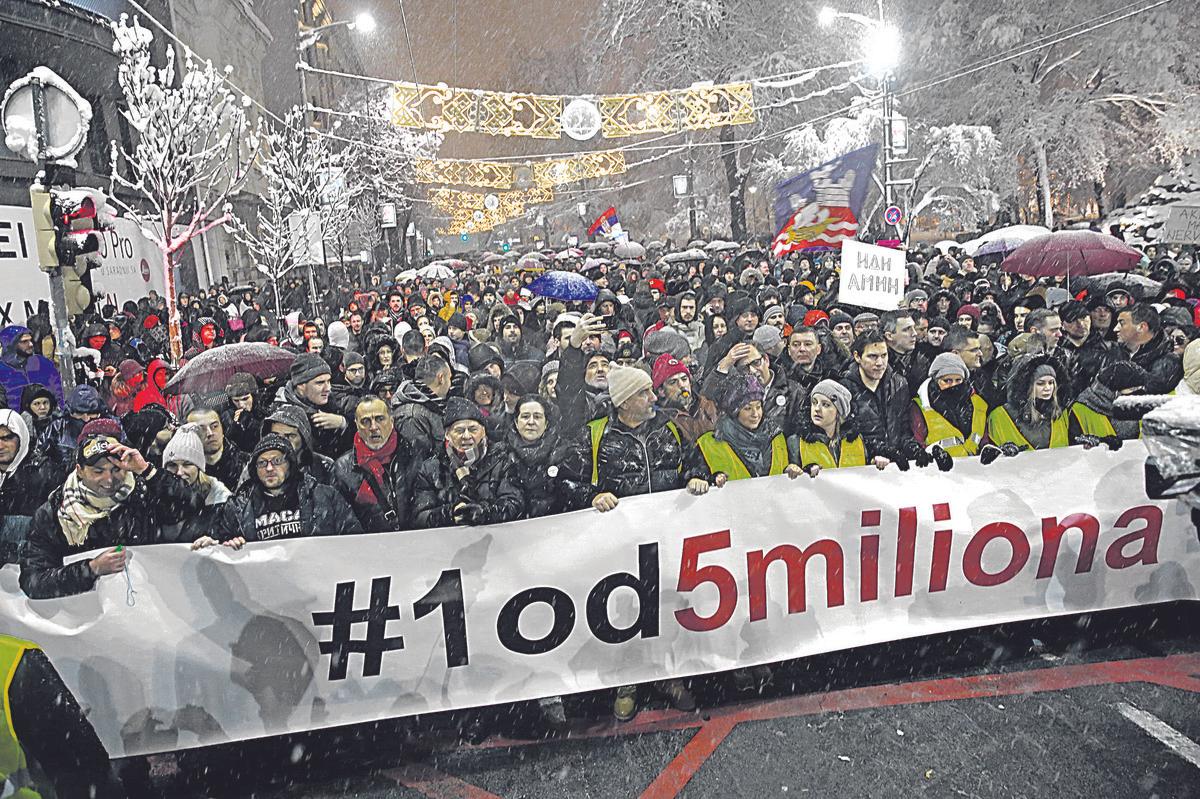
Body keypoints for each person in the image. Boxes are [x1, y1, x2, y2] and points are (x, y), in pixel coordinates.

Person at [19, 435, 201, 599]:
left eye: (116, 469)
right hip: (90, 623)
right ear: (80, 470)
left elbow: (192, 505)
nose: (108, 479)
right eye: (98, 471)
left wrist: (146, 470)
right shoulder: (54, 513)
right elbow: (33, 581)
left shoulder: (143, 493)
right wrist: (91, 569)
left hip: (148, 608)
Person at [198, 434, 361, 548]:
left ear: (290, 463)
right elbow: (218, 543)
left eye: (277, 461)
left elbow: (356, 541)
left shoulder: (325, 496)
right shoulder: (237, 507)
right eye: (262, 463)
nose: (269, 468)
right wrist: (220, 545)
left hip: (318, 585)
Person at [410, 398, 524, 528]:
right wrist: (450, 513)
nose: (466, 436)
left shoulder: (502, 460)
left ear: (484, 431)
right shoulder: (431, 468)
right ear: (447, 434)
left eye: (473, 429)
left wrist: (485, 513)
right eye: (459, 430)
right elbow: (420, 516)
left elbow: (514, 503)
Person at [696, 374, 803, 483]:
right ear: (735, 412)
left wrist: (790, 470)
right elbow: (697, 479)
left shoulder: (777, 437)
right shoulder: (710, 443)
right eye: (747, 408)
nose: (755, 414)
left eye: (758, 406)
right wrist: (711, 480)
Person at [333, 395, 413, 531]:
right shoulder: (342, 468)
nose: (373, 427)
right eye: (365, 421)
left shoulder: (413, 454)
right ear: (357, 425)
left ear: (392, 421)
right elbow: (345, 522)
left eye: (380, 419)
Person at [789, 379, 890, 473]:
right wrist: (801, 471)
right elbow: (787, 481)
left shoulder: (857, 439)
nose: (817, 409)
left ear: (839, 412)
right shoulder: (795, 442)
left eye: (826, 405)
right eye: (814, 402)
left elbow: (863, 472)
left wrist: (875, 464)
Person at [0, 410, 58, 562]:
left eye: (7, 438)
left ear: (21, 437)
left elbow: (52, 529)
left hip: (32, 562)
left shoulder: (44, 471)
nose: (0, 445)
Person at [839, 330, 913, 449]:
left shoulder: (899, 384)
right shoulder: (844, 388)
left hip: (897, 461)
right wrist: (876, 452)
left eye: (884, 356)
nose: (879, 363)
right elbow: (846, 433)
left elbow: (905, 428)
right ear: (857, 356)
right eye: (873, 356)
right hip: (863, 461)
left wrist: (911, 448)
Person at [158, 424, 232, 543]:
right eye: (172, 465)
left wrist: (217, 541)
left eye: (187, 464)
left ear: (199, 468)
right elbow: (123, 544)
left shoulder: (221, 499)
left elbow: (233, 539)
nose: (179, 472)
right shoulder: (155, 495)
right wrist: (118, 550)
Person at [274, 353, 354, 458]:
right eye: (320, 383)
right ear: (301, 386)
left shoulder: (333, 404)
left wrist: (343, 423)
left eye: (329, 381)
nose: (328, 388)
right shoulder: (281, 416)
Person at [985, 355, 1072, 451]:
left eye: (1051, 383)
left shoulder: (1060, 414)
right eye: (1040, 383)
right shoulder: (1001, 416)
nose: (1047, 388)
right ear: (1028, 386)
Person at [911, 353, 987, 459]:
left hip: (974, 470)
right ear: (936, 380)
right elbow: (918, 443)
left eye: (958, 380)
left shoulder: (978, 404)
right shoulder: (920, 406)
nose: (953, 385)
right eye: (947, 381)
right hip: (937, 471)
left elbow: (984, 440)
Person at [391, 354, 453, 463]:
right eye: (450, 378)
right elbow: (418, 464)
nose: (450, 384)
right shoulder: (412, 416)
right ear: (441, 378)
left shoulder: (433, 406)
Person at [1115, 305, 1183, 395]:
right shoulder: (1115, 353)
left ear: (1142, 327)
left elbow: (1153, 396)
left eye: (1122, 323)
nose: (1115, 329)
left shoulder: (1169, 362)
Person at [186, 405, 249, 491]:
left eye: (214, 426)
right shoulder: (184, 471)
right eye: (200, 429)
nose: (210, 433)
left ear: (222, 429)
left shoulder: (247, 464)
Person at [0, 325, 63, 406]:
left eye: (30, 340)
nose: (30, 344)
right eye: (24, 341)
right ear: (11, 345)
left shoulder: (43, 363)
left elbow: (58, 393)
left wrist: (59, 413)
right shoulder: (1, 371)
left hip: (49, 416)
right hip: (15, 417)